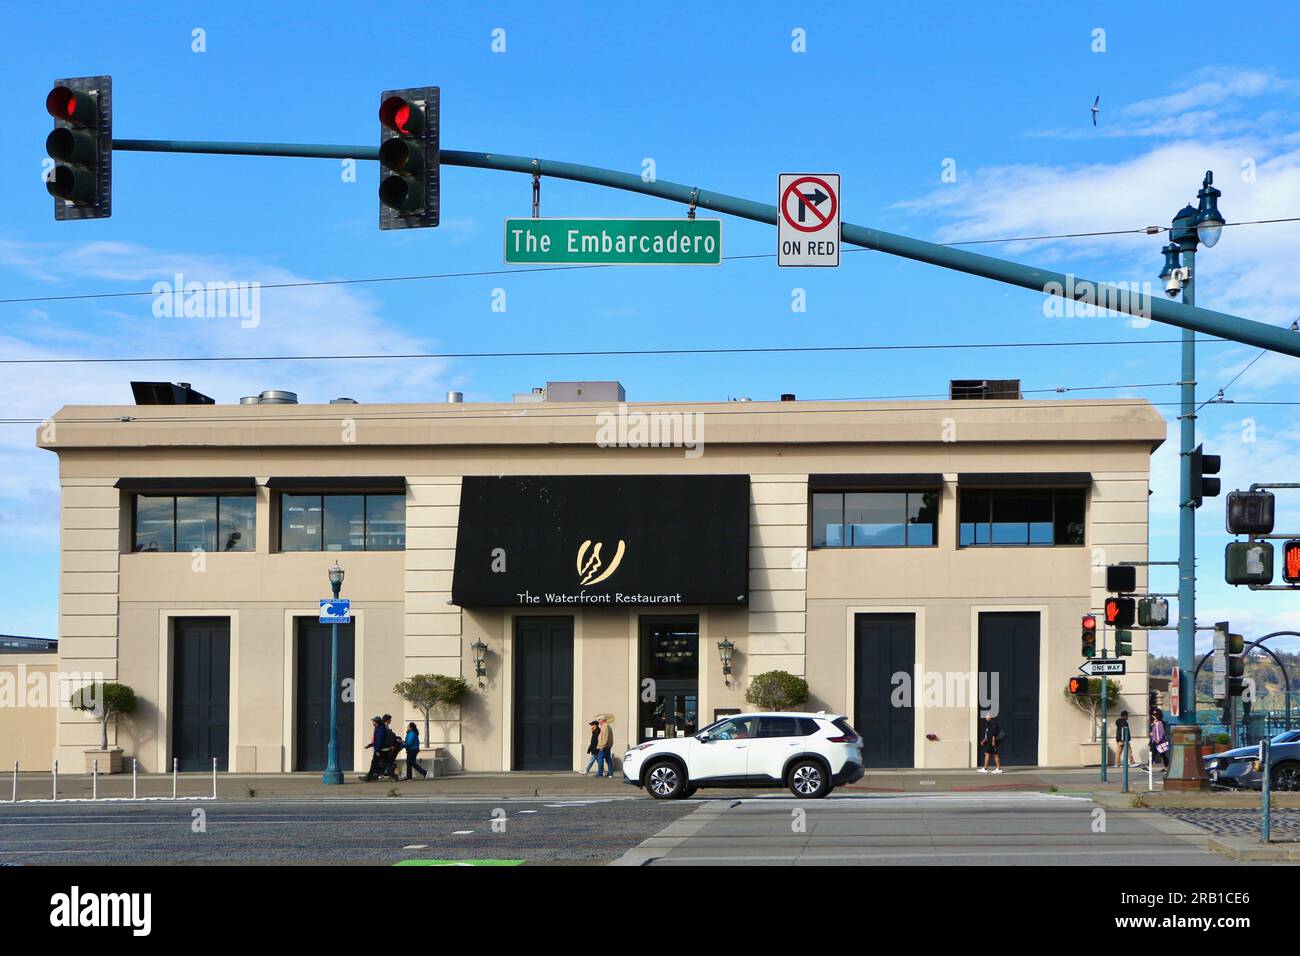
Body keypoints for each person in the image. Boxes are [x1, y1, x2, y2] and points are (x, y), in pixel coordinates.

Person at [359, 716, 386, 782]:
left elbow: (379, 740)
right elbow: (376, 740)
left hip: (380, 749)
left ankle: (369, 778)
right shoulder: (379, 728)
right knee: (384, 762)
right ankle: (369, 777)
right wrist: (370, 745)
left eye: (373, 721)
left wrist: (377, 750)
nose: (372, 722)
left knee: (374, 763)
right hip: (380, 748)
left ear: (376, 722)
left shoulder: (380, 729)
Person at [380, 714, 400, 781]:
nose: (391, 721)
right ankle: (391, 775)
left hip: (387, 747)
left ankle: (389, 775)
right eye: (390, 719)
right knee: (386, 762)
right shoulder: (383, 727)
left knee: (386, 762)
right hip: (384, 747)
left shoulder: (386, 726)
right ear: (387, 720)